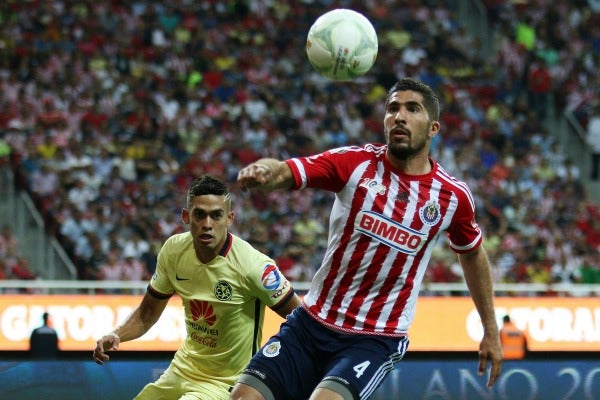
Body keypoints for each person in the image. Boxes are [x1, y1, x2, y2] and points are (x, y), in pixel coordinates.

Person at [232, 77, 503, 400]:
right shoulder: (355, 164)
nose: (399, 117)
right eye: (392, 108)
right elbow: (286, 170)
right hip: (311, 322)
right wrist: (263, 172)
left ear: (433, 128)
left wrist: (490, 329)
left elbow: (472, 254)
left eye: (412, 109)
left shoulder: (452, 196)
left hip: (374, 338)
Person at [93, 175, 301, 399]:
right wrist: (117, 334)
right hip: (181, 370)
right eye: (199, 215)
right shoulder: (173, 250)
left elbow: (301, 320)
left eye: (216, 215)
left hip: (224, 384)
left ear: (229, 218)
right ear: (186, 216)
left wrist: (272, 369)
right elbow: (146, 315)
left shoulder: (254, 266)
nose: (207, 224)